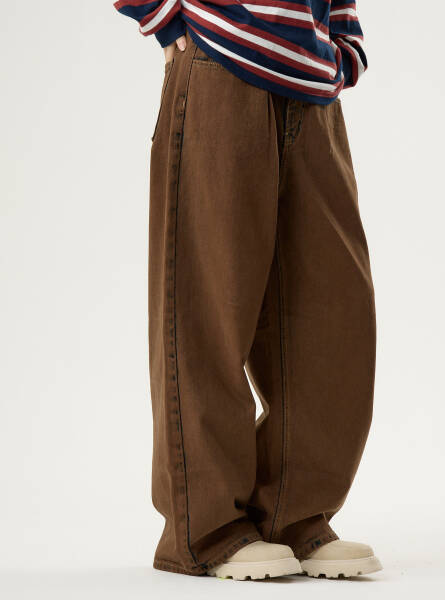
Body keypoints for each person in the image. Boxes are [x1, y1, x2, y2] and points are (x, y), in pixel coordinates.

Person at [114, 0, 381, 581]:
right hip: (220, 64)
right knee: (209, 308)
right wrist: (161, 14)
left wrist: (342, 39)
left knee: (332, 313)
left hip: (313, 88)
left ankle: (295, 514)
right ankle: (206, 529)